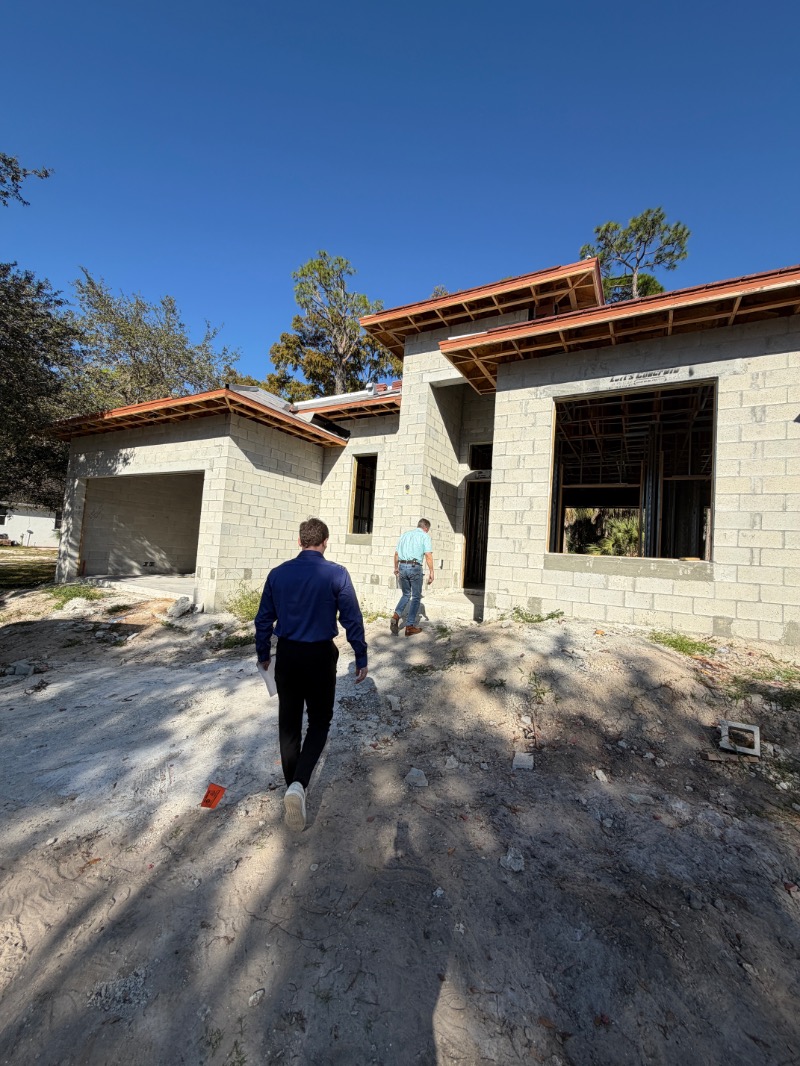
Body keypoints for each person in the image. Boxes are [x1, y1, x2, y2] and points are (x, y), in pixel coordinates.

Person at [255, 517, 368, 831]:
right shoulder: (336, 574)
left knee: (289, 722)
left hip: (288, 655)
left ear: (299, 541)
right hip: (319, 656)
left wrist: (263, 654)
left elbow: (263, 619)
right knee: (319, 721)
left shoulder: (278, 574)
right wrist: (360, 654)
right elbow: (352, 618)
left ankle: (293, 787)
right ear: (325, 542)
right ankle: (299, 786)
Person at [391, 518, 434, 636]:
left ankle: (396, 615)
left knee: (406, 594)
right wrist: (431, 572)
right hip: (415, 567)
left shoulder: (404, 535)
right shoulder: (425, 536)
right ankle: (409, 627)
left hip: (402, 566)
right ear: (426, 528)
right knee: (415, 597)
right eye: (427, 530)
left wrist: (396, 568)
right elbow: (428, 555)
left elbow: (396, 554)